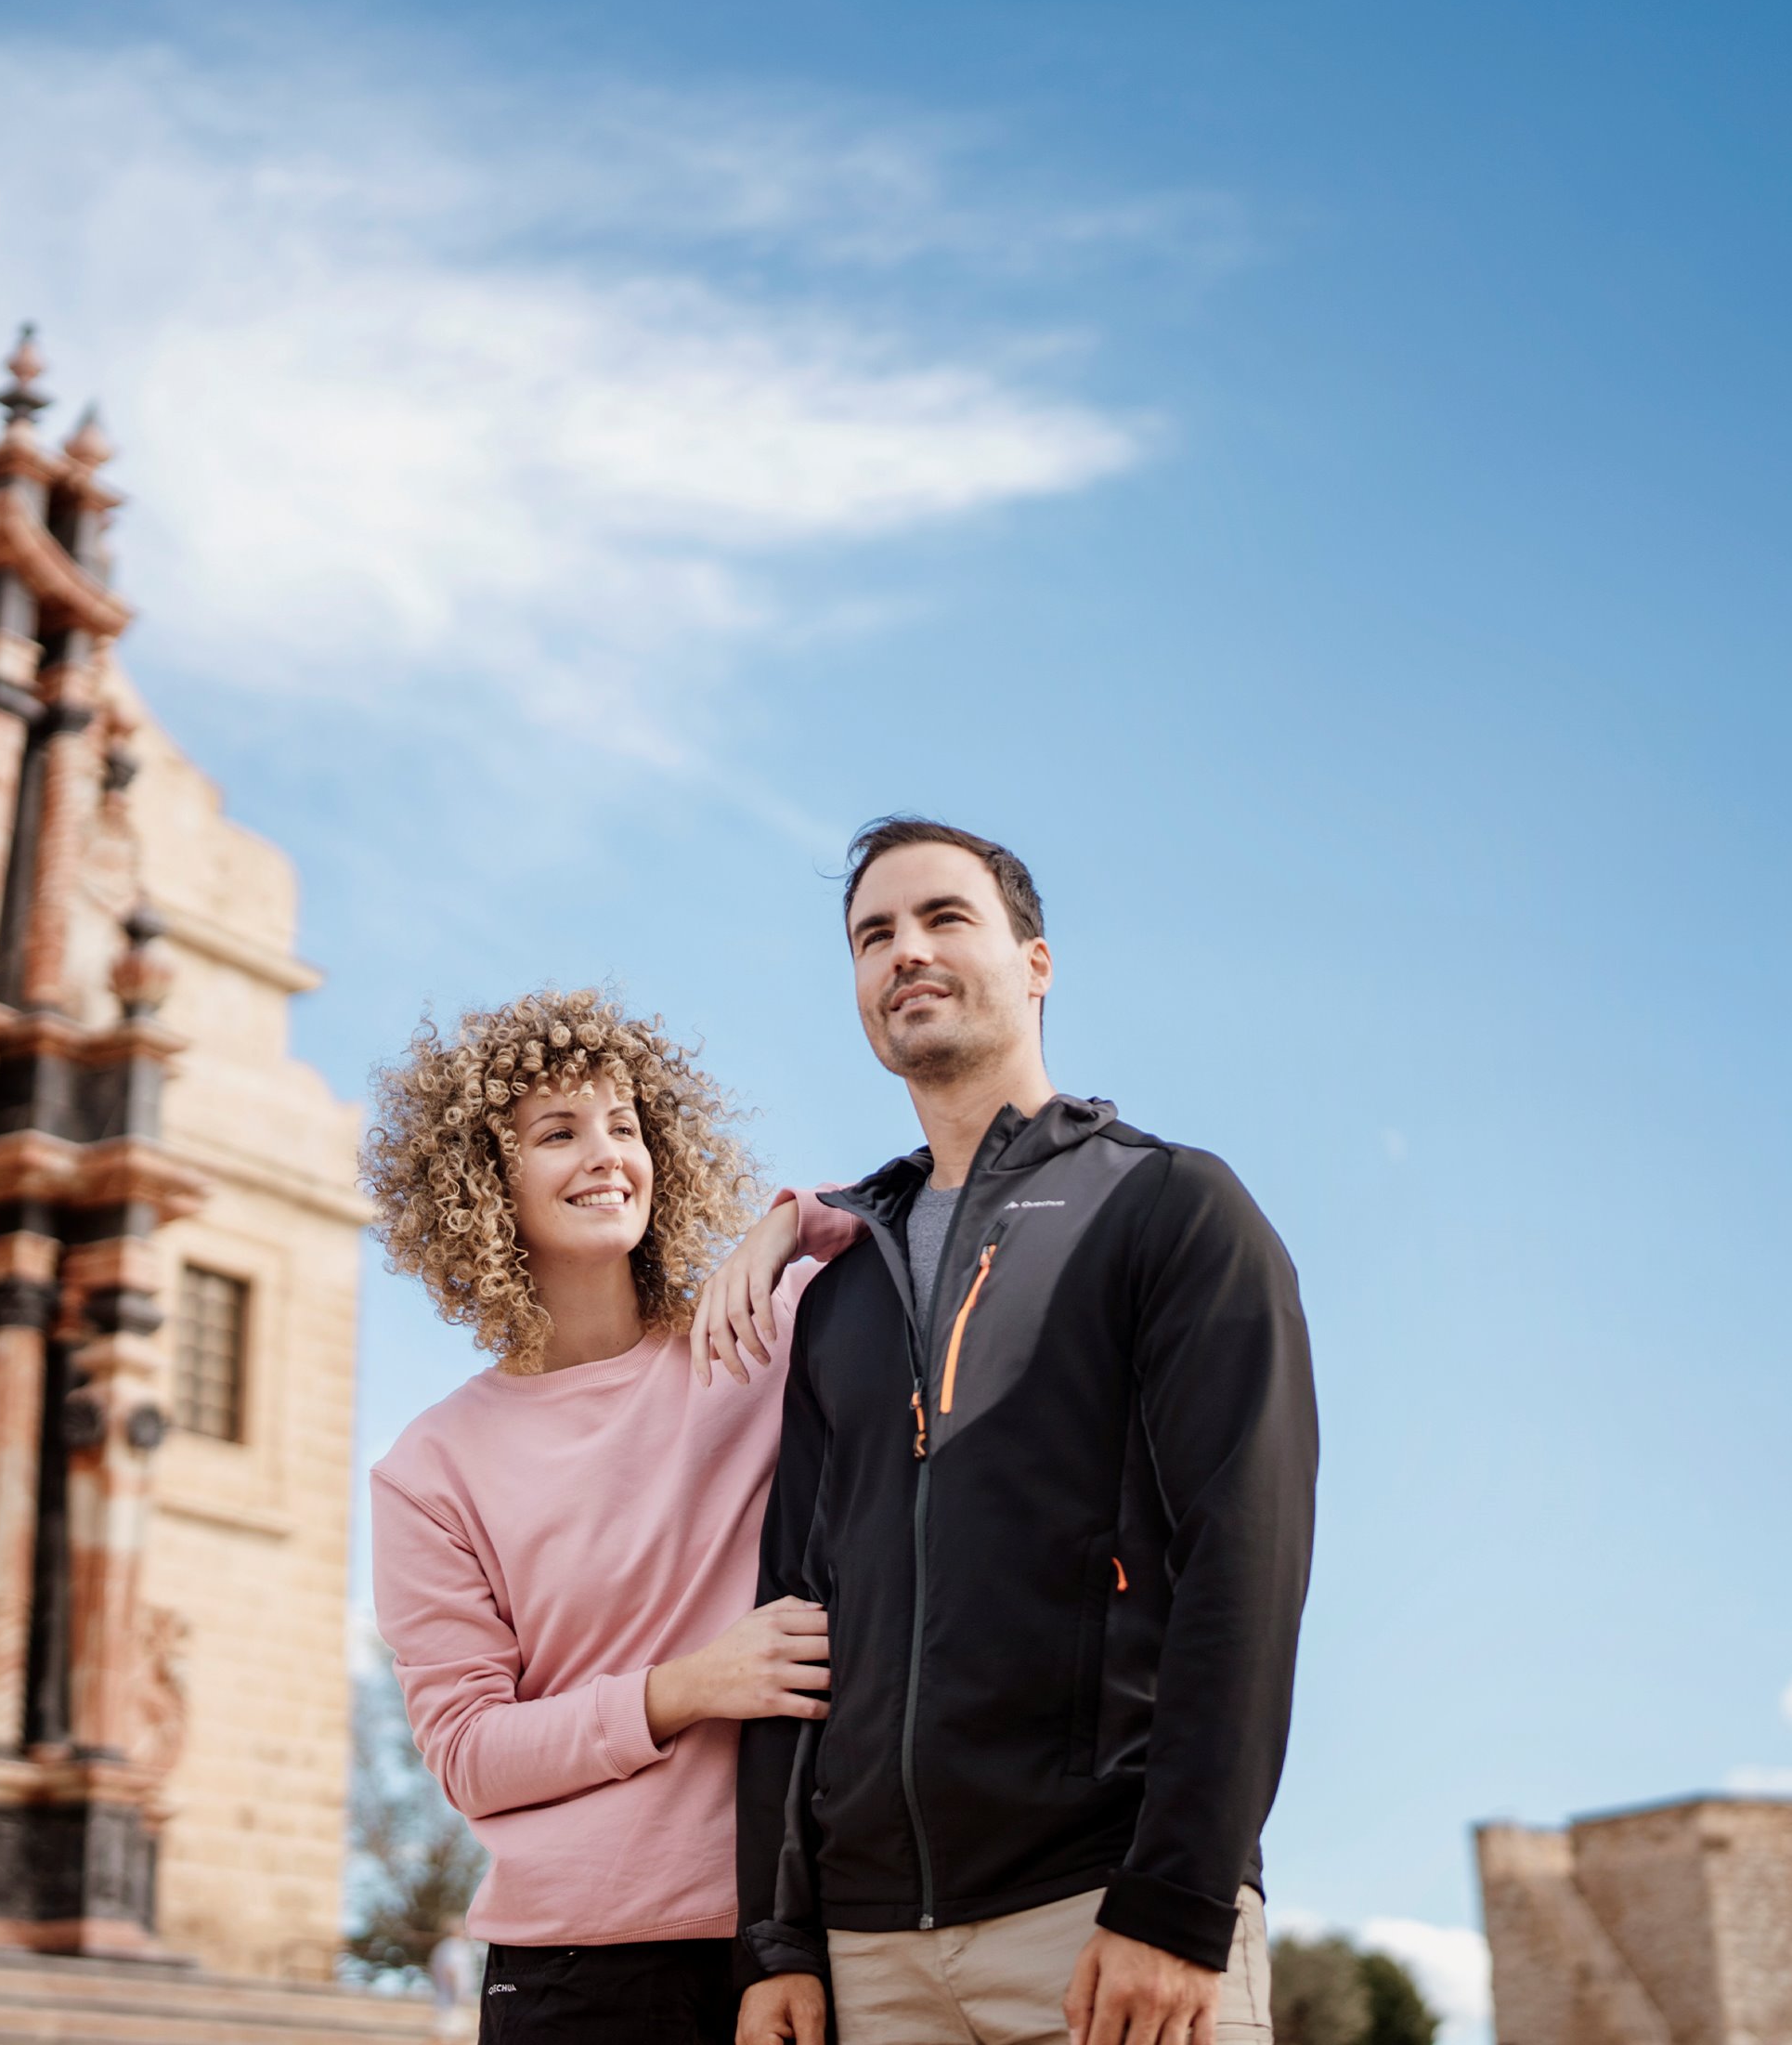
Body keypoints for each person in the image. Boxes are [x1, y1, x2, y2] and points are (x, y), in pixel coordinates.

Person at [697, 818, 1319, 2045]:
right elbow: (793, 1616)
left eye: (943, 919)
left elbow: (1243, 1569)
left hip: (1104, 1920)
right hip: (871, 1958)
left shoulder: (1171, 1210)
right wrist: (776, 1937)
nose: (905, 953)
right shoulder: (840, 1297)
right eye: (874, 935)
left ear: (1037, 962)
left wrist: (1179, 1899)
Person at [364, 988, 858, 2044]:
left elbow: (911, 1218)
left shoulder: (757, 1338)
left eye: (625, 1126)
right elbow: (469, 1752)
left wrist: (785, 1220)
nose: (606, 1155)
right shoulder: (429, 1469)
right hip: (572, 1970)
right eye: (557, 1132)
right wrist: (685, 1687)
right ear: (482, 1183)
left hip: (787, 1942)